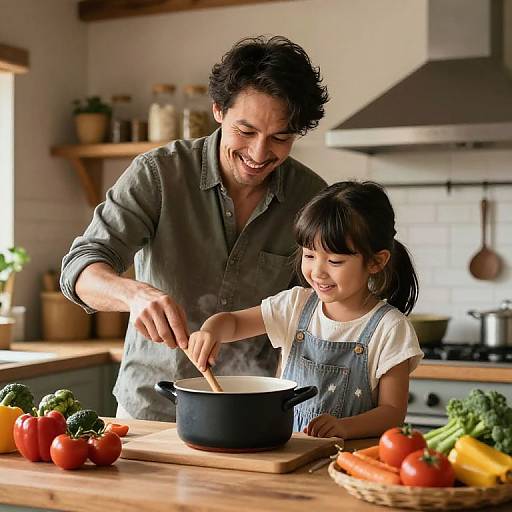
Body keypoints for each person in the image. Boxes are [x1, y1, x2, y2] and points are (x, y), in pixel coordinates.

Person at [60, 35, 329, 421]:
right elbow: (80, 269)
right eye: (246, 131)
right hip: (150, 411)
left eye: (280, 138)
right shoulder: (159, 174)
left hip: (252, 409)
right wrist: (133, 295)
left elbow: (318, 309)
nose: (258, 154)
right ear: (218, 110)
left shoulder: (311, 197)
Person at [187, 181, 423, 439]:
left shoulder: (390, 328)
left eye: (335, 261)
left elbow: (392, 412)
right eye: (309, 255)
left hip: (348, 461)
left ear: (376, 261)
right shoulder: (295, 305)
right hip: (288, 452)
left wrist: (345, 427)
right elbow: (232, 322)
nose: (318, 271)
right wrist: (210, 331)